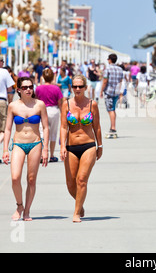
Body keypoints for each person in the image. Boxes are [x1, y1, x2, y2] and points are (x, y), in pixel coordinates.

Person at [2, 77, 49, 221]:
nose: (28, 89)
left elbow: (46, 127)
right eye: (25, 87)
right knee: (15, 177)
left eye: (30, 87)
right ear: (19, 90)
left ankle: (27, 211)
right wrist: (5, 150)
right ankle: (19, 205)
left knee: (31, 179)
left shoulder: (39, 105)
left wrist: (45, 149)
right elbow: (8, 129)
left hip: (35, 143)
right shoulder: (13, 106)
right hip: (18, 144)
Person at [60, 74, 103, 223]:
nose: (77, 89)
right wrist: (62, 146)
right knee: (70, 184)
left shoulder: (92, 104)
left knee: (82, 180)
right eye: (75, 86)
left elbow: (97, 127)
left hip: (88, 145)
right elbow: (63, 127)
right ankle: (80, 205)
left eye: (80, 86)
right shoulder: (66, 104)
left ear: (85, 87)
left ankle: (76, 213)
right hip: (71, 146)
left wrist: (100, 145)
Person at [35, 68, 63, 162]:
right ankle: (51, 155)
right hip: (54, 110)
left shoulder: (38, 88)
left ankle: (42, 154)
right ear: (52, 77)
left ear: (43, 77)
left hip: (42, 110)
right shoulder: (56, 88)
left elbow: (35, 101)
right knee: (53, 133)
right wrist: (62, 113)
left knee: (42, 132)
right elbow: (60, 103)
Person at [101, 54, 124, 134]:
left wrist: (101, 91)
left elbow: (105, 81)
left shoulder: (107, 69)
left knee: (110, 110)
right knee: (113, 109)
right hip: (116, 92)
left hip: (109, 91)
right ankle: (112, 126)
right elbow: (121, 81)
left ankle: (113, 127)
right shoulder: (120, 69)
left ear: (110, 60)